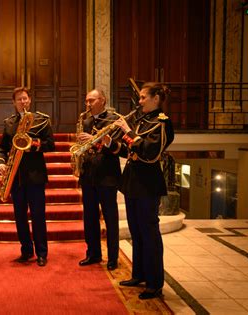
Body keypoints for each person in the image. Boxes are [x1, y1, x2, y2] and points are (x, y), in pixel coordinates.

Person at [113, 82, 174, 300]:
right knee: (136, 232)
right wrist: (111, 144)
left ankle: (155, 283)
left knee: (149, 234)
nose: (139, 102)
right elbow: (128, 151)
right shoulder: (142, 121)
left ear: (156, 98)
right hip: (132, 182)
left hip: (148, 185)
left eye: (142, 97)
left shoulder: (162, 123)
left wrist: (127, 131)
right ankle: (138, 274)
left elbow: (150, 152)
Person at [0, 87, 55, 267]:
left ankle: (42, 253)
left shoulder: (41, 120)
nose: (22, 102)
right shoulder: (9, 123)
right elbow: (2, 148)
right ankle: (26, 250)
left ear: (29, 100)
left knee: (38, 216)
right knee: (20, 217)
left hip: (35, 176)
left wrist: (32, 144)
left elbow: (50, 145)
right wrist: (1, 162)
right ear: (14, 103)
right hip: (16, 178)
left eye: (25, 98)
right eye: (19, 99)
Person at [76, 89, 122, 270]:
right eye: (86, 101)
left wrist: (94, 140)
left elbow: (117, 147)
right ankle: (93, 253)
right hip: (88, 176)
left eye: (91, 100)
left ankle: (113, 258)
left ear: (102, 100)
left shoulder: (114, 120)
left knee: (111, 218)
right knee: (90, 217)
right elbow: (84, 146)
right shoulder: (85, 121)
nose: (87, 104)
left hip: (107, 176)